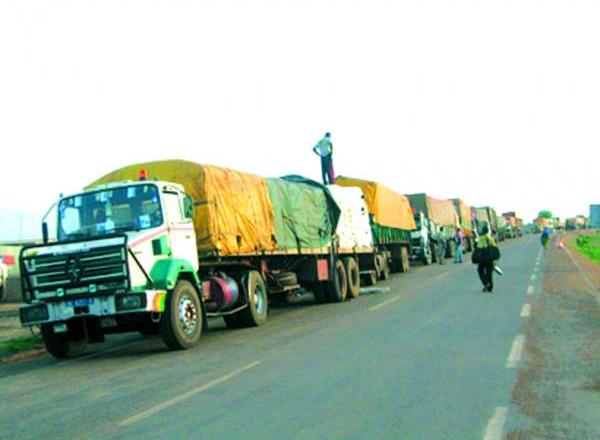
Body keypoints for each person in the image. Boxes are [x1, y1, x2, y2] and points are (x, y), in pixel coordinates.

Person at [477, 223, 497, 292]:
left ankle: (486, 283)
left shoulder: (481, 238)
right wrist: (494, 259)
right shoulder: (491, 238)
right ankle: (490, 288)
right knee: (489, 273)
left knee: (480, 271)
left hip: (483, 258)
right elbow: (495, 248)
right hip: (490, 258)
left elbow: (478, 248)